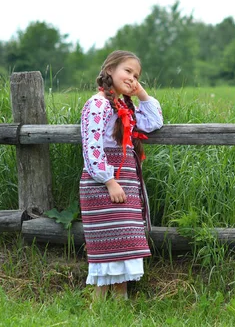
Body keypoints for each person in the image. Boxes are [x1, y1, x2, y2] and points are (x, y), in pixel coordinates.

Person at [79, 50, 163, 300]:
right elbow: (92, 148)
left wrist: (141, 94)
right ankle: (98, 305)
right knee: (107, 248)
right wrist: (109, 181)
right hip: (104, 184)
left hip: (125, 181)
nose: (132, 78)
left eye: (136, 75)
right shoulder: (98, 104)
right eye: (127, 71)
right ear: (109, 71)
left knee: (124, 246)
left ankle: (119, 306)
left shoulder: (124, 108)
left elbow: (155, 121)